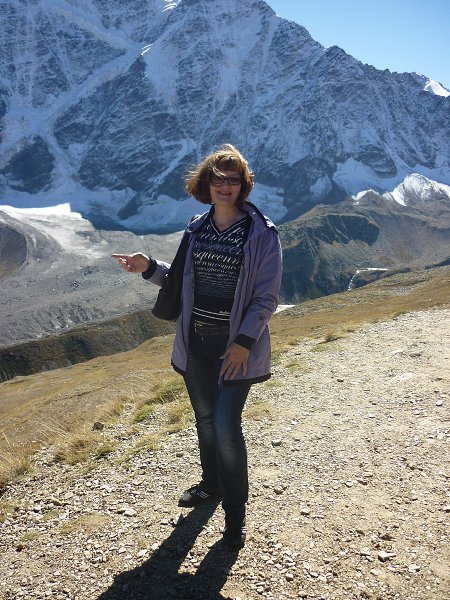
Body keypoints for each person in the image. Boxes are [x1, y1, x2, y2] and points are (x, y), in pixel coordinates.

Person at [112, 144, 282, 550]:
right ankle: (211, 485)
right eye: (218, 179)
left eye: (233, 179)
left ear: (243, 185)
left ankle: (235, 516)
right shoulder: (197, 227)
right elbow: (180, 280)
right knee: (205, 420)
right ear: (205, 183)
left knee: (225, 426)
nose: (225, 186)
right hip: (196, 343)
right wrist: (149, 267)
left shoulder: (262, 233)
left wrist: (243, 343)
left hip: (235, 348)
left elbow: (266, 297)